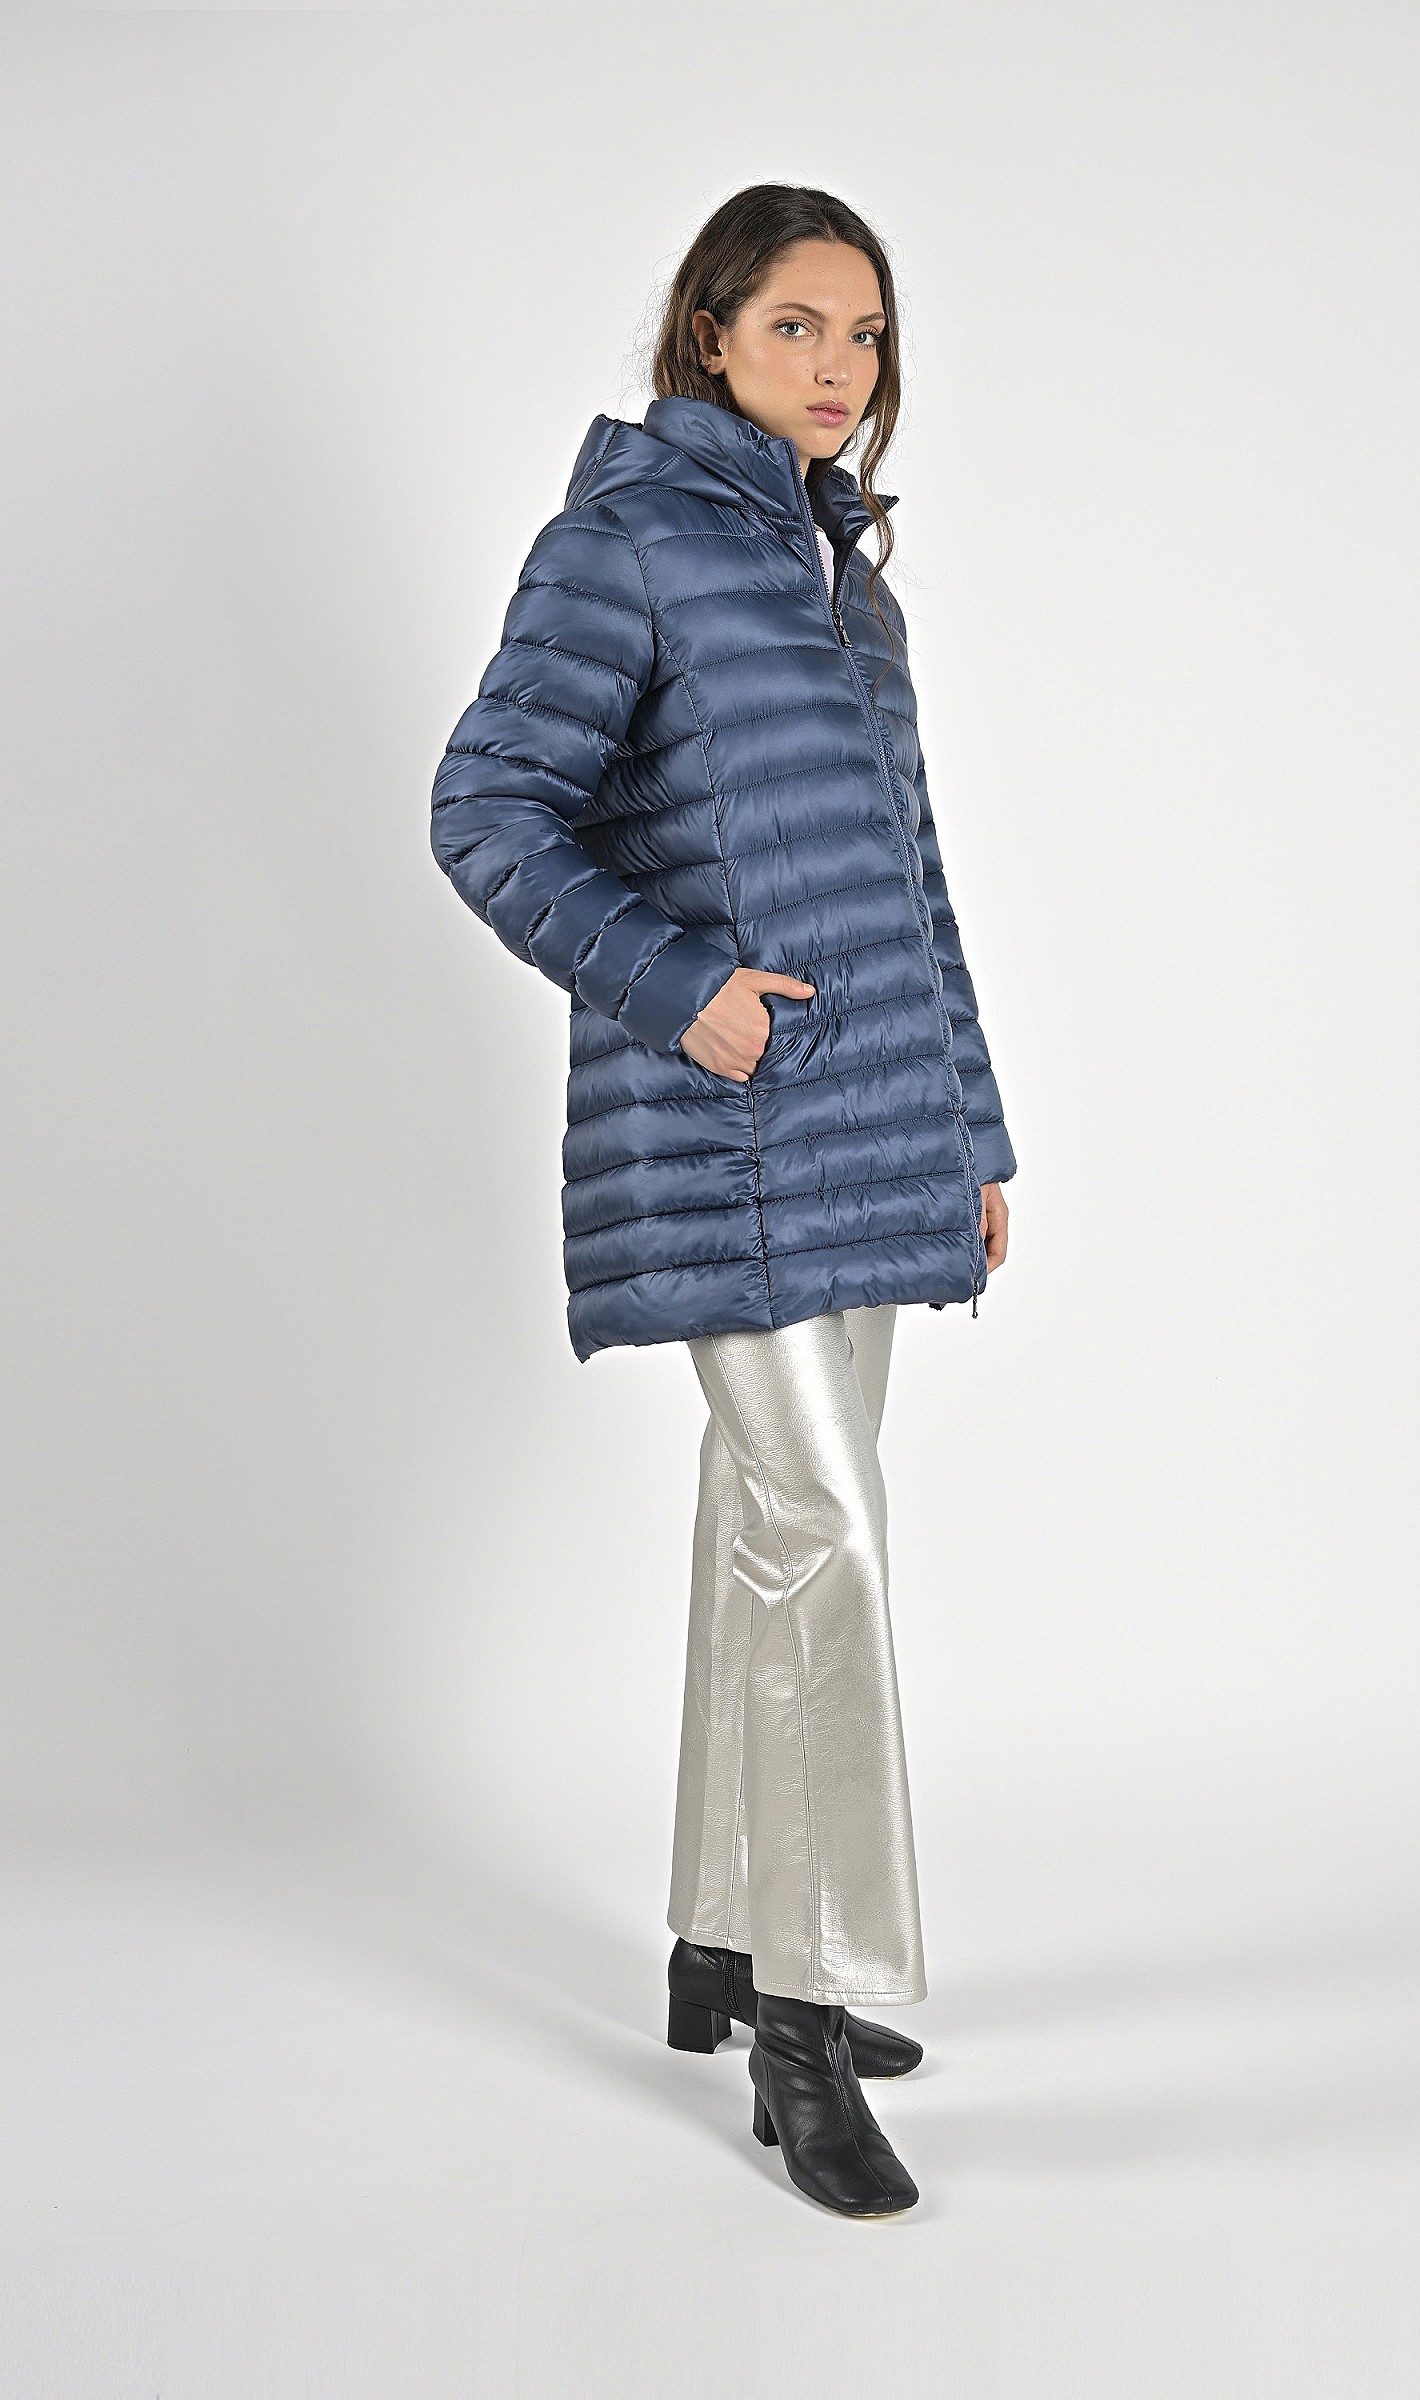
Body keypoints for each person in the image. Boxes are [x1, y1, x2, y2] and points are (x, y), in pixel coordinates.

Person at [429, 183, 1017, 2218]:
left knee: (771, 1533)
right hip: (727, 1133)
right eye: (796, 326)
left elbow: (914, 884)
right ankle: (807, 2011)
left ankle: (720, 1932)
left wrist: (972, 1128)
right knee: (823, 1537)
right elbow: (485, 810)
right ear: (707, 333)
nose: (839, 367)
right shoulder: (627, 542)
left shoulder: (850, 586)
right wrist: (686, 990)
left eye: (865, 333)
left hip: (873, 1124)